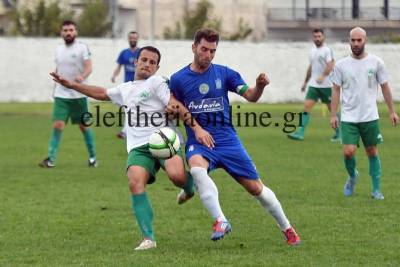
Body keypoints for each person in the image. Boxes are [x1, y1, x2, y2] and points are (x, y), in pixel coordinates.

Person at [50, 46, 214, 250]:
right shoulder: (125, 89)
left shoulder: (157, 82)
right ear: (136, 62)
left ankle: (189, 187)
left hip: (164, 139)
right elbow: (101, 93)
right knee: (135, 182)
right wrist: (72, 85)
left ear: (157, 67)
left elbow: (173, 103)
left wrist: (186, 119)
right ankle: (148, 238)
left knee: (176, 176)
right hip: (138, 146)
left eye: (152, 62)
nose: (147, 64)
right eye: (144, 59)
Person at [169, 28, 301, 245]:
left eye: (212, 51)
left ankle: (287, 228)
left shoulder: (225, 73)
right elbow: (173, 104)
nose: (208, 55)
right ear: (194, 47)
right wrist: (196, 128)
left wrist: (259, 86)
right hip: (199, 141)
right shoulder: (178, 79)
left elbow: (251, 97)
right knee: (196, 168)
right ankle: (220, 220)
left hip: (227, 140)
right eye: (204, 49)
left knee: (256, 189)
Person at [330, 27, 399, 200]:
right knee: (348, 152)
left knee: (372, 152)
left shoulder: (376, 62)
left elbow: (385, 87)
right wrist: (333, 114)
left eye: (359, 40)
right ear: (349, 41)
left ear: (365, 40)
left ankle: (376, 190)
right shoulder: (341, 65)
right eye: (352, 40)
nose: (355, 43)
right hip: (348, 117)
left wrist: (392, 111)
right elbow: (336, 90)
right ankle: (353, 176)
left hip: (370, 117)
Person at [39, 20, 97, 168]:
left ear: (75, 32)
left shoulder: (82, 48)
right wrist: (54, 88)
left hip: (79, 95)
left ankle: (92, 158)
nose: (68, 32)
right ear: (61, 33)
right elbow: (58, 69)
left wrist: (82, 77)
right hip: (61, 95)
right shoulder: (58, 49)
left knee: (84, 126)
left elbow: (89, 67)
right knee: (58, 125)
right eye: (65, 30)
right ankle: (50, 159)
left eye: (71, 30)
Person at [288, 28, 340, 142]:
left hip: (326, 85)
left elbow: (331, 64)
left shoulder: (327, 50)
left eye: (319, 36)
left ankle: (339, 133)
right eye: (315, 37)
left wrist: (323, 76)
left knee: (333, 110)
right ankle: (300, 132)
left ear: (323, 37)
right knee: (306, 107)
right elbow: (311, 68)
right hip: (314, 86)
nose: (317, 38)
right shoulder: (312, 51)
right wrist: (305, 83)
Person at [111, 31, 141, 139]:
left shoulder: (141, 52)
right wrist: (114, 75)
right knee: (128, 108)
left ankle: (125, 131)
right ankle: (128, 130)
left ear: (137, 39)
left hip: (138, 85)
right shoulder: (124, 53)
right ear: (128, 39)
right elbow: (119, 66)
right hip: (127, 86)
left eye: (134, 38)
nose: (133, 40)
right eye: (131, 38)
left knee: (130, 108)